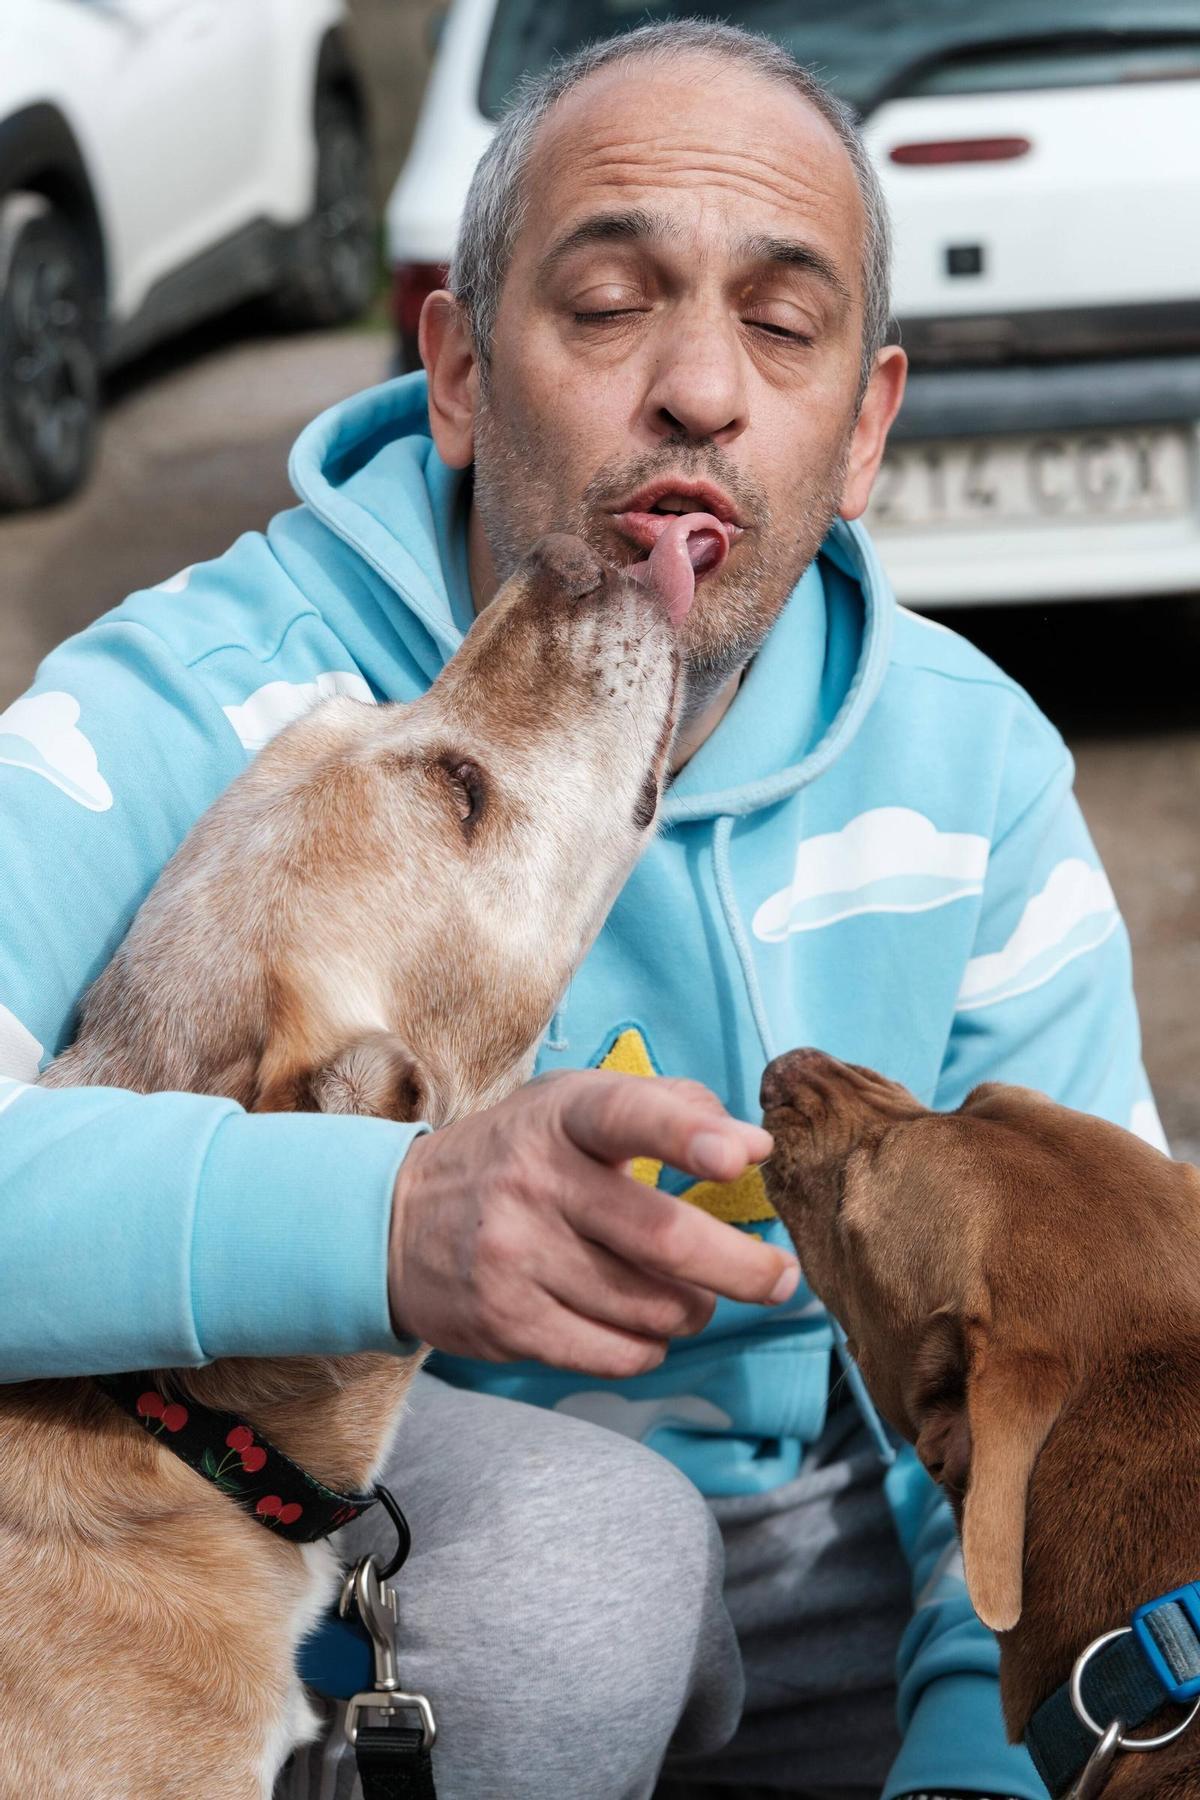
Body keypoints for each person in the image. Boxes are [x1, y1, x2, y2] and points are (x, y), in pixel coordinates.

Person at [0, 21, 1165, 1800]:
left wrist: (966, 1769)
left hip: (849, 1579)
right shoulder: (203, 697)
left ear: (864, 431)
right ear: (458, 371)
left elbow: (1090, 1389)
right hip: (398, 1588)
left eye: (782, 327)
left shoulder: (978, 772)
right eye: (611, 303)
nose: (700, 388)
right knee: (585, 1575)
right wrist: (383, 1218)